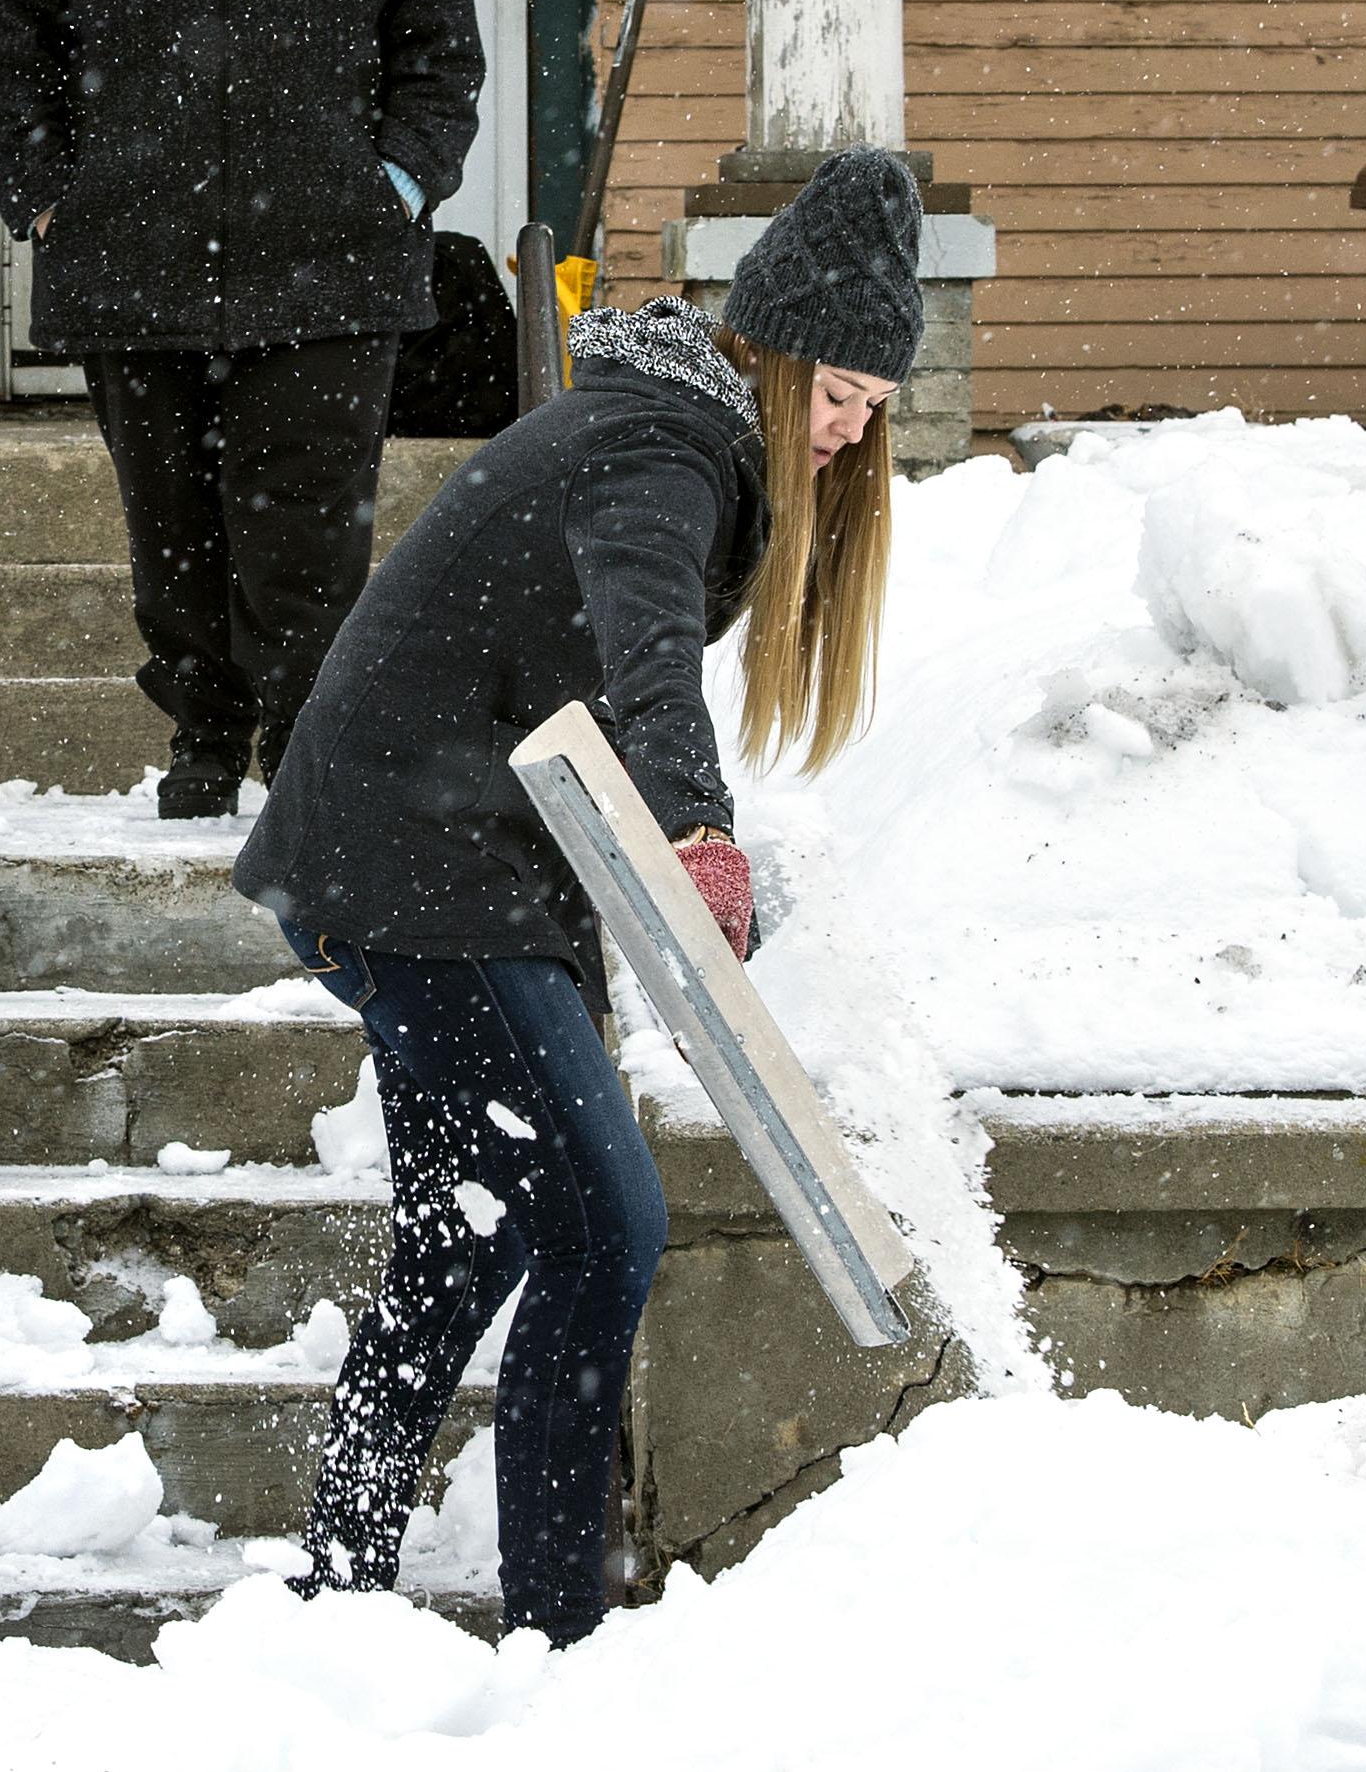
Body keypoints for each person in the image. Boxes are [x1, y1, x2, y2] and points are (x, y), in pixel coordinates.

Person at [236, 149, 919, 1643]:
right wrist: (699, 832)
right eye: (834, 396)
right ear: (774, 348)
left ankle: (330, 1600)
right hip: (420, 866)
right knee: (606, 1227)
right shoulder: (664, 450)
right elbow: (646, 647)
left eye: (872, 411)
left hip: (440, 860)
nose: (845, 432)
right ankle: (560, 1633)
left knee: (463, 1239)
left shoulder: (669, 431)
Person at [0, 0, 489, 818]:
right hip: (131, 262)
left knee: (306, 532)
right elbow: (9, 46)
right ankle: (203, 738)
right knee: (173, 527)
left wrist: (399, 185)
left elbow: (440, 43)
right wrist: (48, 195)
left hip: (329, 265)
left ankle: (306, 748)